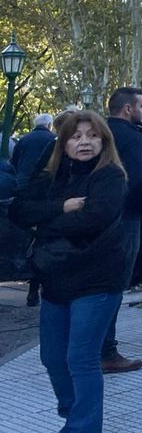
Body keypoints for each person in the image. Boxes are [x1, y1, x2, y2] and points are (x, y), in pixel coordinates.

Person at [11, 110, 128, 433]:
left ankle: (83, 427)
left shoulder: (111, 176)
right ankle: (75, 413)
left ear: (104, 140)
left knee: (81, 358)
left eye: (92, 135)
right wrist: (60, 207)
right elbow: (19, 210)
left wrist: (45, 223)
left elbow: (93, 219)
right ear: (63, 144)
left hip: (97, 278)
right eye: (76, 137)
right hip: (55, 277)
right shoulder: (52, 174)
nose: (84, 142)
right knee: (52, 358)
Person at [99, 87, 142, 374]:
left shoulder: (98, 133)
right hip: (125, 218)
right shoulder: (132, 137)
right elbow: (138, 182)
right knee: (115, 285)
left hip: (94, 217)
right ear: (129, 109)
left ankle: (90, 345)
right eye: (141, 105)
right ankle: (107, 350)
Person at [13, 112, 56, 306]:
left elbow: (14, 162)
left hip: (23, 188)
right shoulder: (52, 140)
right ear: (49, 125)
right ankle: (34, 287)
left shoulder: (24, 139)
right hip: (44, 193)